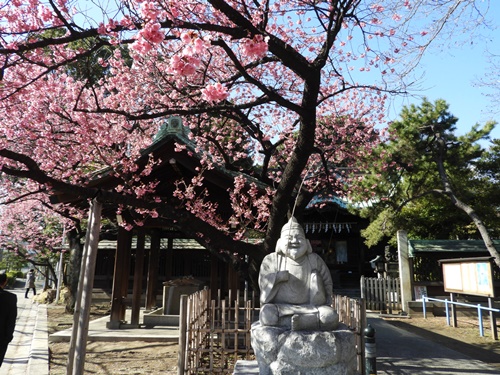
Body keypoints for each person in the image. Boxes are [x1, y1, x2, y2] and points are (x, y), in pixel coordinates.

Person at [258, 217, 339, 331]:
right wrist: (277, 277)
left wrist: (320, 288)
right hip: (281, 308)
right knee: (267, 315)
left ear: (307, 243)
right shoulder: (272, 260)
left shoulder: (314, 260)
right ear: (280, 243)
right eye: (289, 238)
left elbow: (327, 283)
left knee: (330, 316)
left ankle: (298, 322)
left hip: (311, 308)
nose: (295, 241)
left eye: (299, 237)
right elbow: (263, 284)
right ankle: (303, 322)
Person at [0, 273, 17, 367]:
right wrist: (8, 336)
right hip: (2, 337)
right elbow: (11, 319)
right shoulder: (10, 298)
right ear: (5, 282)